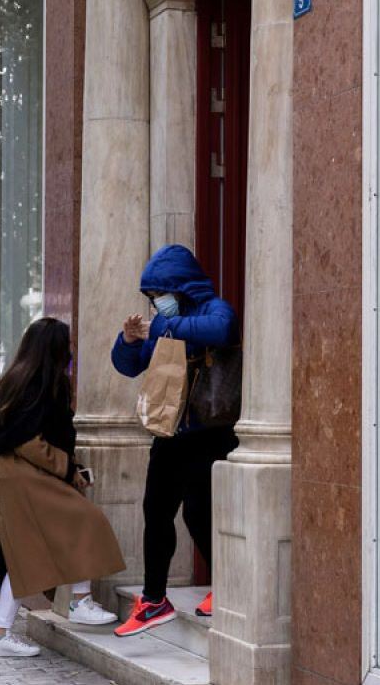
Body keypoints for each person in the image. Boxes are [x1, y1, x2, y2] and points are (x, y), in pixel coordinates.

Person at [110, 244, 239, 636]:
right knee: (156, 511)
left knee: (199, 512)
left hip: (209, 431)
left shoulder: (214, 308)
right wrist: (128, 341)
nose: (157, 302)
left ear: (181, 287)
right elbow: (130, 366)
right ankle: (154, 599)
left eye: (160, 294)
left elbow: (221, 330)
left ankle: (227, 587)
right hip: (170, 431)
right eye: (152, 297)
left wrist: (166, 326)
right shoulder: (162, 323)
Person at [0, 317, 125, 657]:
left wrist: (68, 467)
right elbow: (28, 440)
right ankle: (79, 600)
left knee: (22, 555)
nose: (71, 351)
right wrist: (66, 468)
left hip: (18, 474)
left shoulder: (19, 380)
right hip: (27, 474)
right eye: (67, 344)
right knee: (86, 519)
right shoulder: (40, 384)